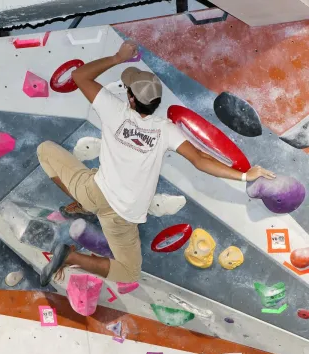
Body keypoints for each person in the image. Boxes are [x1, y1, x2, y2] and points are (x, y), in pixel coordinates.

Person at [38, 41, 276, 286]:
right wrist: (245, 176)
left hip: (94, 192)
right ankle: (70, 256)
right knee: (129, 273)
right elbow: (200, 160)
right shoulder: (166, 130)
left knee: (45, 150)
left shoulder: (115, 110)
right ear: (156, 102)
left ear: (130, 98)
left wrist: (118, 57)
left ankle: (82, 202)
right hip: (124, 214)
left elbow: (79, 75)